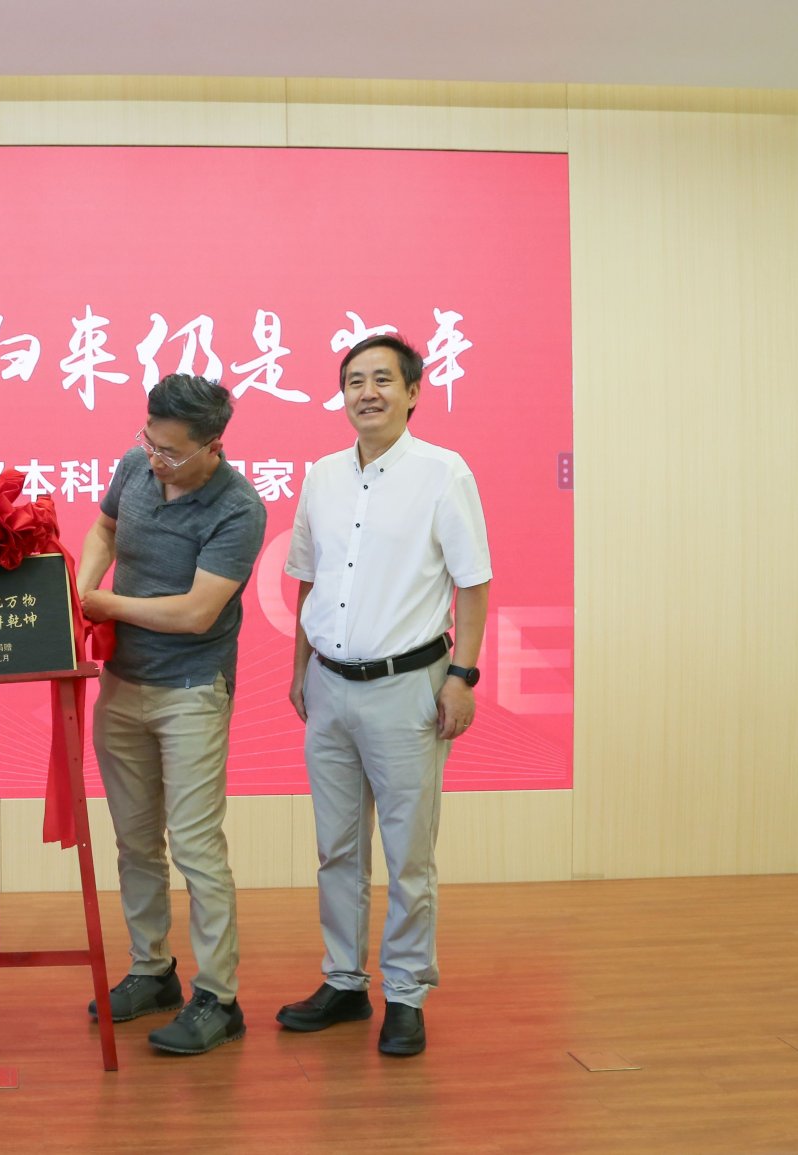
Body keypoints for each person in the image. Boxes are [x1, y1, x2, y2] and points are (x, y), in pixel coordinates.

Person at [278, 333, 491, 1056]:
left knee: (408, 853)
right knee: (336, 847)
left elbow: (472, 583)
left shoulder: (443, 472)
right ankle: (344, 980)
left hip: (409, 689)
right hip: (328, 685)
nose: (366, 392)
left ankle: (405, 993)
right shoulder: (321, 476)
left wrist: (462, 676)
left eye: (382, 379)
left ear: (412, 392)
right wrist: (299, 668)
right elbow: (308, 579)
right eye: (354, 380)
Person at [77, 373, 267, 1056]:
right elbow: (104, 528)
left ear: (212, 445)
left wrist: (105, 605)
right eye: (149, 441)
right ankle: (152, 969)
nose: (156, 459)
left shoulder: (238, 508)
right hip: (122, 682)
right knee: (135, 842)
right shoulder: (137, 464)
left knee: (194, 846)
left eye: (172, 451)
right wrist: (81, 586)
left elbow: (195, 613)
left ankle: (219, 996)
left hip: (190, 690)